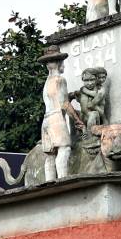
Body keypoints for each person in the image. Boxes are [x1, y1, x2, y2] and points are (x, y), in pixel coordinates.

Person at [38, 45, 85, 181]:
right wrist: (78, 119)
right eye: (61, 62)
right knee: (64, 149)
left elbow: (55, 98)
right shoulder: (60, 80)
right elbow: (64, 104)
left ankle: (49, 182)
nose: (63, 64)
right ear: (58, 63)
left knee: (50, 154)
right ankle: (62, 181)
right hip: (56, 119)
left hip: (46, 120)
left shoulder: (47, 81)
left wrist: (70, 96)